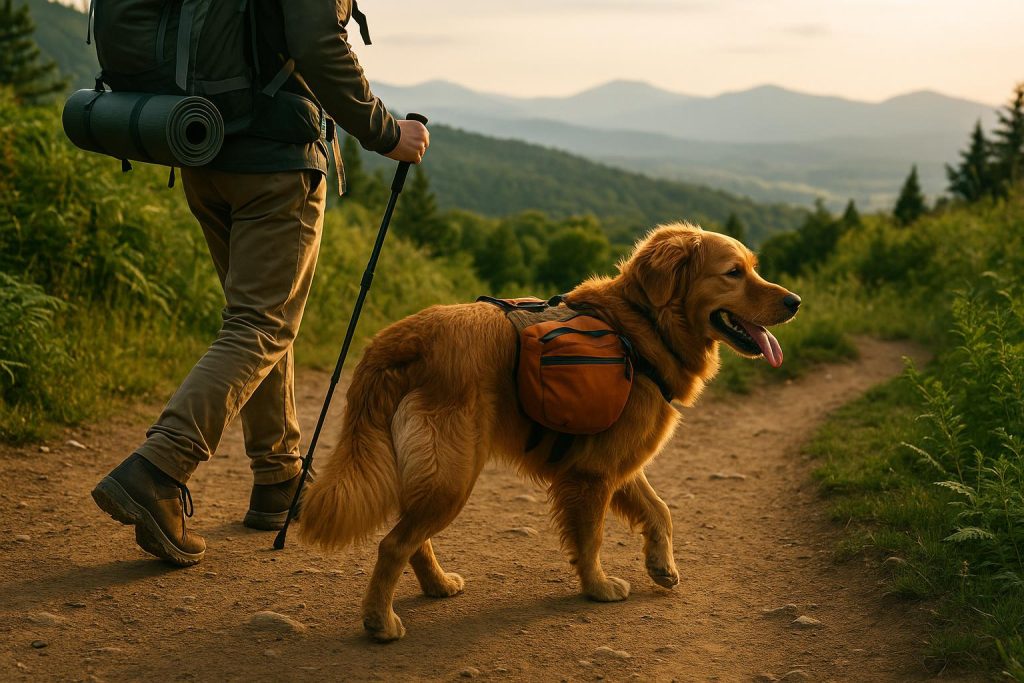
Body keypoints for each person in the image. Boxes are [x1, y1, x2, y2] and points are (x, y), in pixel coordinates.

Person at [90, 0, 429, 566]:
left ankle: (279, 477)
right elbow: (318, 42)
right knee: (261, 324)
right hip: (272, 159)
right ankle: (158, 469)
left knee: (257, 319)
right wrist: (386, 131)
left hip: (201, 143)